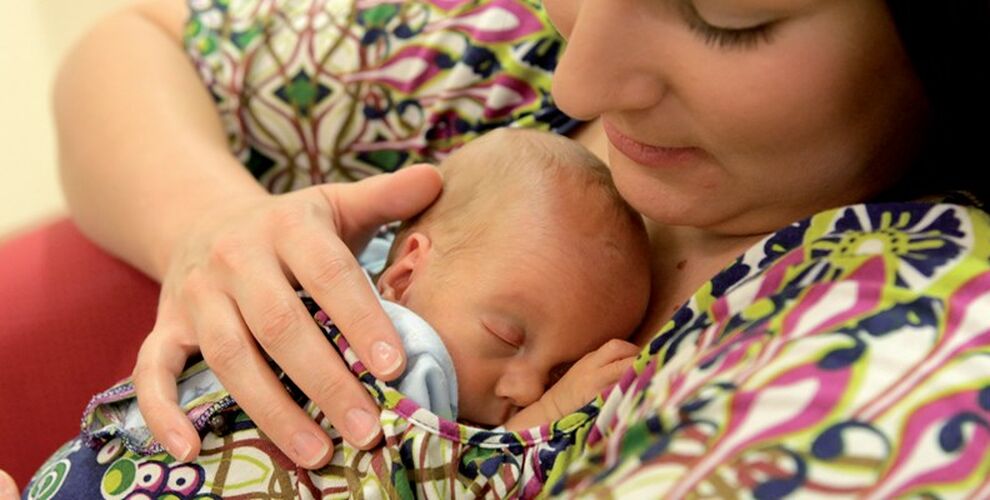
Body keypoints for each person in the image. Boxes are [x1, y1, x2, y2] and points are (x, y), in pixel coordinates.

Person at [15, 0, 990, 497]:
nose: (579, 78)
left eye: (724, 17)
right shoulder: (526, 43)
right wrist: (209, 220)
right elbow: (137, 39)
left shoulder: (910, 345)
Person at [79, 129, 651, 453]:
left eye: (556, 375)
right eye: (505, 335)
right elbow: (437, 472)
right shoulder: (407, 350)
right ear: (403, 276)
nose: (527, 388)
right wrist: (544, 417)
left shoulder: (369, 270)